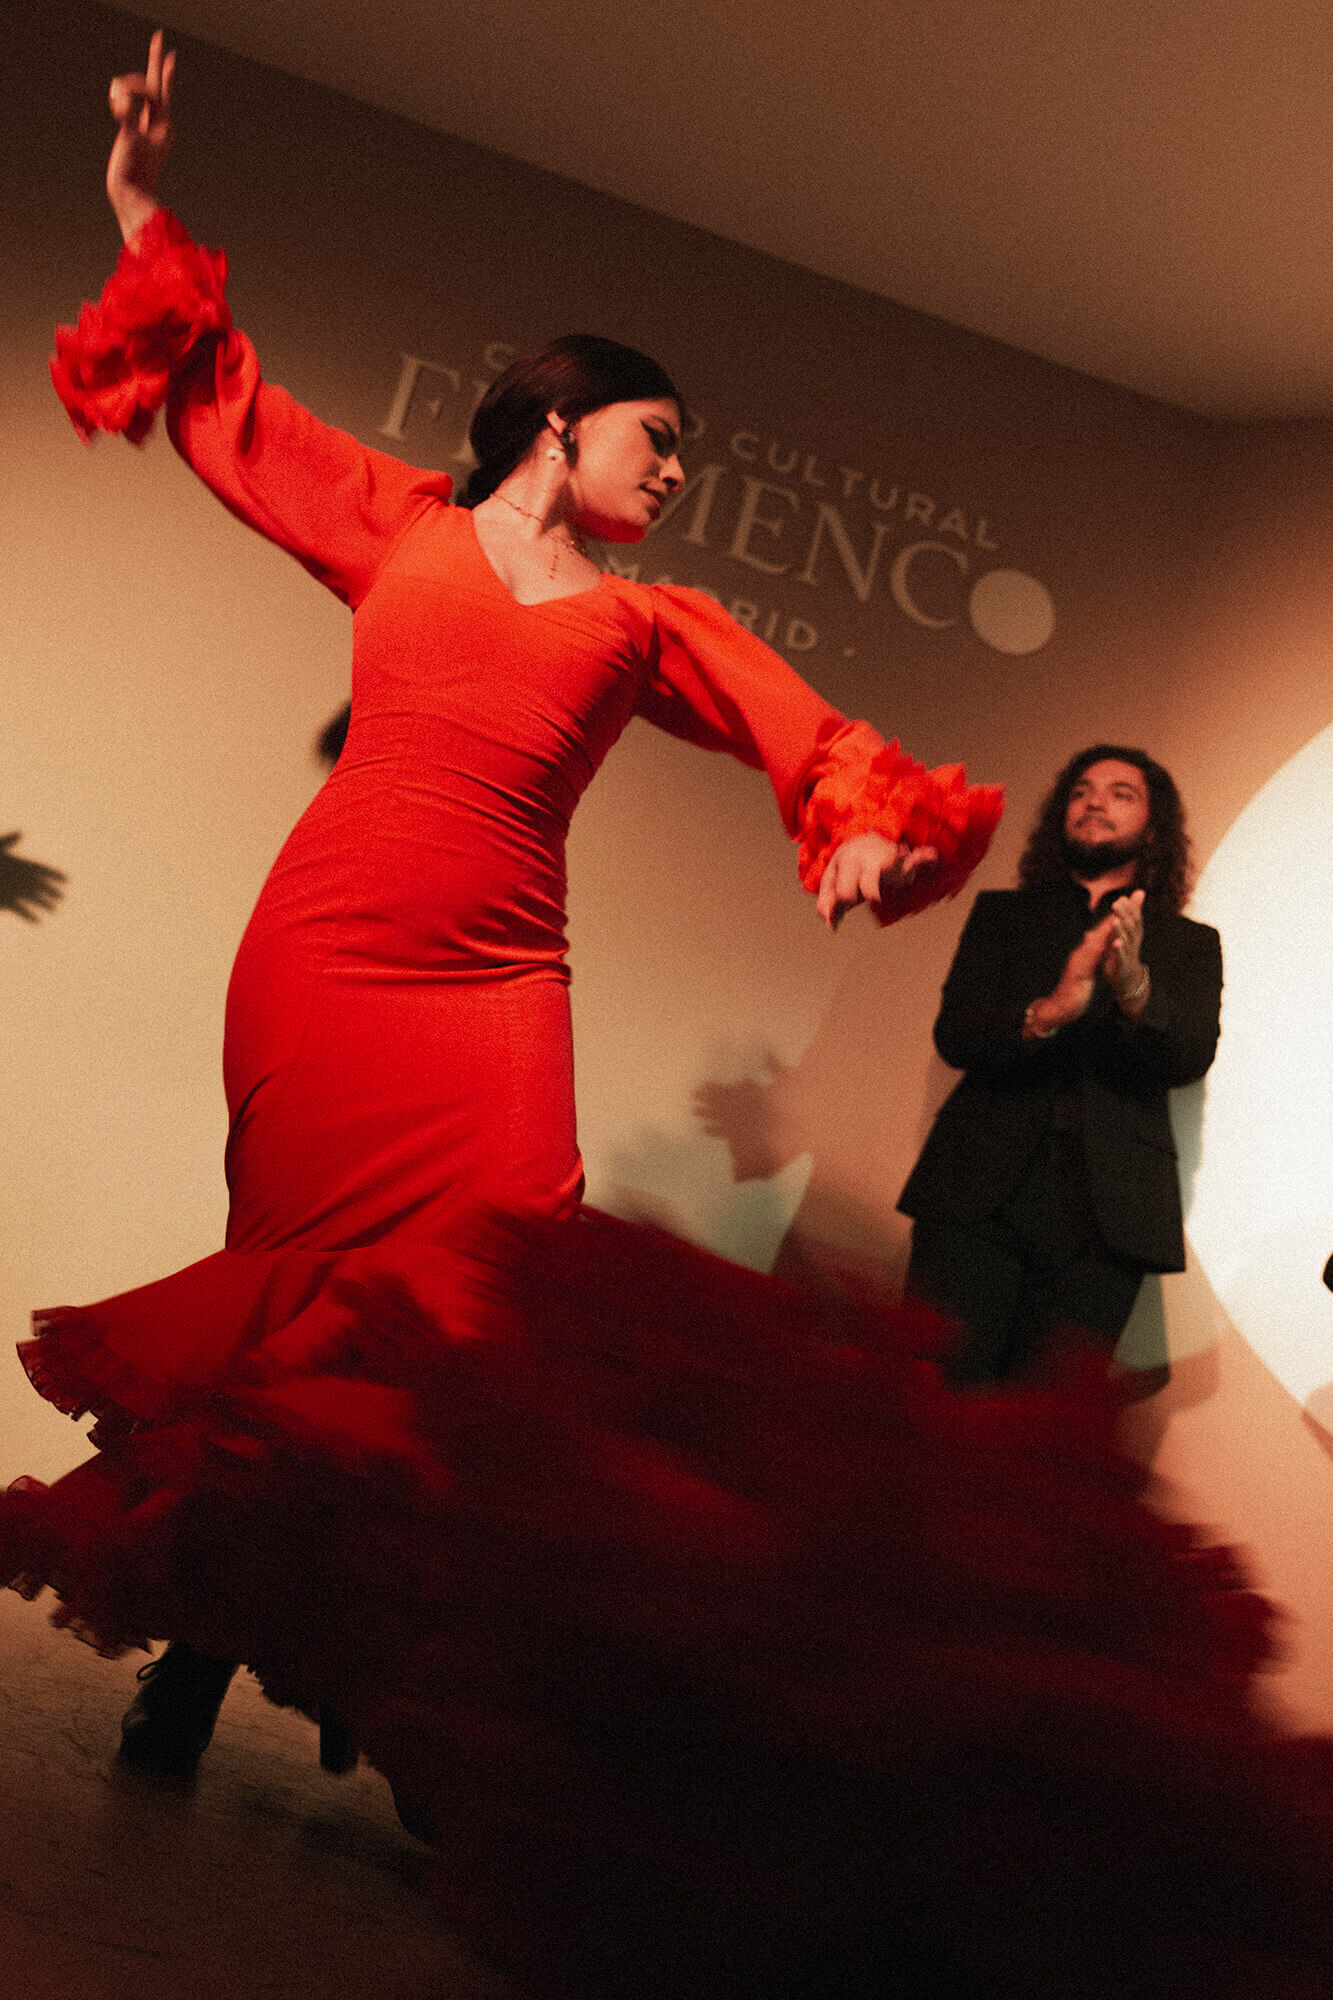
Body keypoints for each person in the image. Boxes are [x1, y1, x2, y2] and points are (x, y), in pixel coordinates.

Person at [4, 33, 1000, 1776]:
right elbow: (225, 402)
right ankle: (208, 1648)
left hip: (495, 986)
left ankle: (388, 1682)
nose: (673, 474)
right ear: (560, 419)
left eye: (682, 459)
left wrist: (861, 834)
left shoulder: (647, 623)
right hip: (327, 956)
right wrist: (140, 205)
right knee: (300, 1307)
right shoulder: (399, 525)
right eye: (656, 440)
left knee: (479, 1317)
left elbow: (809, 732)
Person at [899, 744, 1222, 1386]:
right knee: (927, 1400)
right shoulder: (1002, 916)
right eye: (1081, 791)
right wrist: (1047, 1012)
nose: (1095, 802)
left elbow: (1189, 1056)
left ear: (1153, 831)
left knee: (1045, 1429)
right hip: (973, 1197)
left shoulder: (1190, 943)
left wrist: (1135, 991)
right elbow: (955, 1035)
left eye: (1121, 793)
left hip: (1107, 1224)